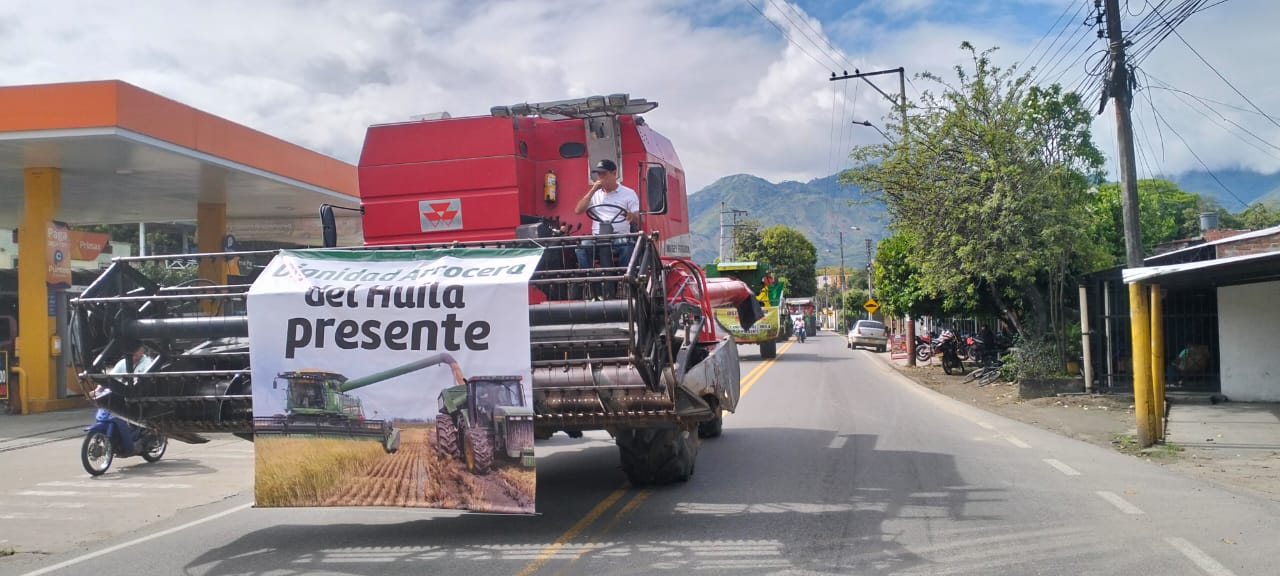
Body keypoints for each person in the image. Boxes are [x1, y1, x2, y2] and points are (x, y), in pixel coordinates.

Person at [573, 159, 641, 298]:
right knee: (581, 247)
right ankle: (590, 283)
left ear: (614, 174)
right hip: (598, 237)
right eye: (598, 175)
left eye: (603, 174)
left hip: (619, 236)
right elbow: (578, 210)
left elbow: (638, 218)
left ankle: (624, 282)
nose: (600, 178)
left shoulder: (629, 193)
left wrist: (630, 215)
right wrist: (592, 190)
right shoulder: (595, 194)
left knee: (628, 246)